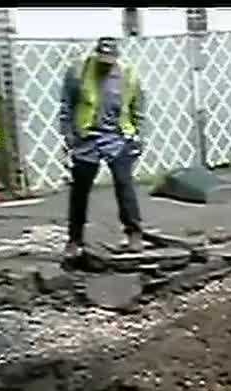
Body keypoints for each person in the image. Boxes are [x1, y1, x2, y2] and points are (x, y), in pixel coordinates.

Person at [59, 36, 147, 260]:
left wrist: (138, 137)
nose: (105, 65)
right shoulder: (78, 72)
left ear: (116, 58)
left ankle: (134, 233)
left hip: (117, 136)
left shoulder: (128, 75)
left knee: (124, 184)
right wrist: (69, 135)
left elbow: (138, 109)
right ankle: (74, 239)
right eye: (102, 60)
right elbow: (67, 106)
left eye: (110, 61)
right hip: (86, 137)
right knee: (80, 190)